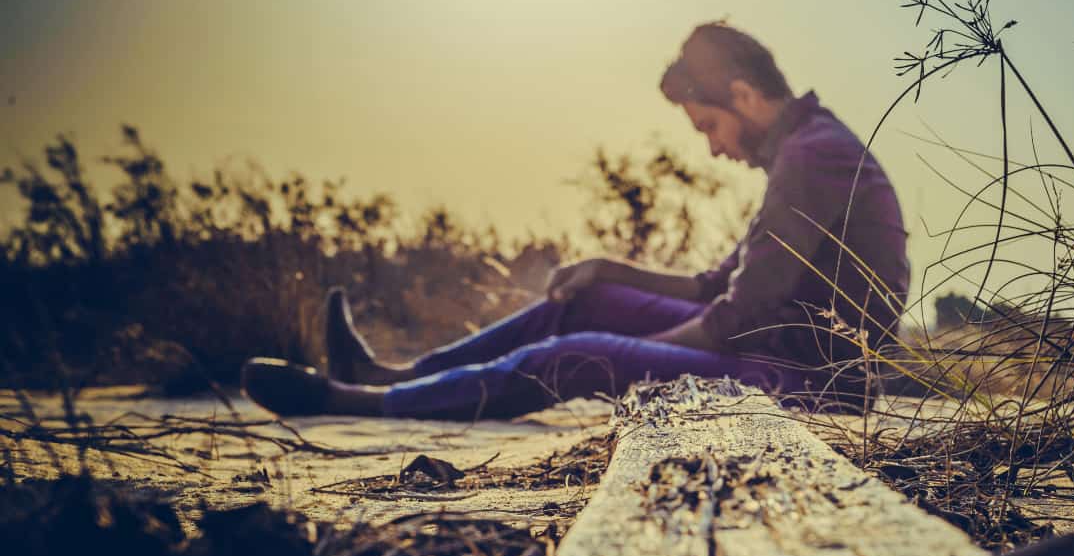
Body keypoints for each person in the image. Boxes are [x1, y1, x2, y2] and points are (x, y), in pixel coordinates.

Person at [241, 22, 910, 420]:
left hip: (814, 387)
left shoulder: (813, 158)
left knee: (583, 353)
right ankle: (398, 375)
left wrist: (635, 352)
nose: (711, 146)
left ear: (742, 95)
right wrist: (606, 271)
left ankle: (356, 402)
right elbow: (718, 288)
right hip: (766, 353)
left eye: (709, 126)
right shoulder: (805, 149)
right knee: (586, 299)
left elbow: (734, 319)